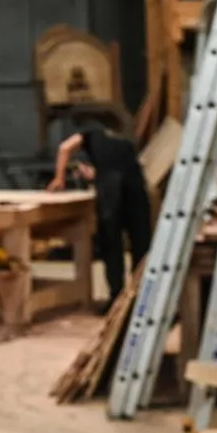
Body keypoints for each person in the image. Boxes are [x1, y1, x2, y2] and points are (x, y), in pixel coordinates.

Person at [47, 121, 151, 306]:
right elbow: (116, 167)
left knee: (112, 244)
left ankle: (116, 298)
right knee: (141, 243)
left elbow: (64, 148)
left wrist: (59, 178)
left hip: (111, 190)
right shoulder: (125, 139)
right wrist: (94, 174)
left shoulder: (89, 132)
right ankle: (141, 299)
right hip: (136, 186)